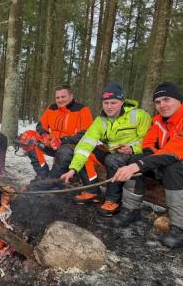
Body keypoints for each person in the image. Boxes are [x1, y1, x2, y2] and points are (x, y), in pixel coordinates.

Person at [61, 82, 152, 216]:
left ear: (121, 102)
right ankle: (93, 191)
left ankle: (112, 200)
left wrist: (133, 149)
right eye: (106, 103)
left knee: (112, 159)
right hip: (112, 151)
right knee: (86, 152)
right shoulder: (100, 120)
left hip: (133, 155)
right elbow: (85, 144)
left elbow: (149, 139)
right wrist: (73, 169)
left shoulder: (139, 115)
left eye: (113, 103)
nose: (109, 107)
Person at [111, 82, 183, 248]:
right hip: (166, 160)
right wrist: (143, 160)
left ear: (179, 100)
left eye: (167, 99)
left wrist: (140, 165)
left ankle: (179, 227)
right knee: (136, 159)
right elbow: (148, 145)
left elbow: (173, 152)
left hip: (176, 165)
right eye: (158, 102)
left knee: (172, 168)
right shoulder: (157, 120)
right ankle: (131, 210)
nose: (162, 105)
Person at [21, 84, 97, 191]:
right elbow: (41, 125)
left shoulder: (83, 110)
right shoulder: (52, 108)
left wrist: (62, 140)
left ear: (71, 96)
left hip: (71, 146)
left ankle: (50, 181)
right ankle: (42, 174)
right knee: (29, 140)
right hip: (52, 143)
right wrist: (44, 135)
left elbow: (85, 135)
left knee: (64, 151)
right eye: (58, 98)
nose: (60, 100)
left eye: (63, 97)